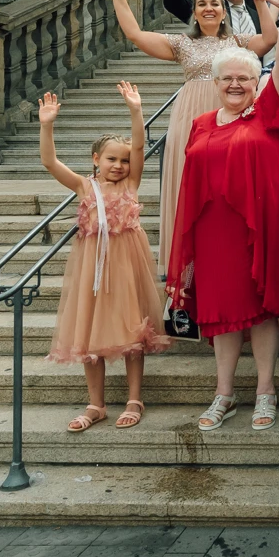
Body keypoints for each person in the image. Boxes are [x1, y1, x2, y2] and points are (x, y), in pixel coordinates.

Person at [164, 0, 279, 432]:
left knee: (263, 309)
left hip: (263, 225)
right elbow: (190, 184)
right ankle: (223, 393)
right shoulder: (201, 123)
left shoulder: (268, 111)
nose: (234, 84)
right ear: (214, 82)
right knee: (222, 312)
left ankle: (265, 390)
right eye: (226, 77)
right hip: (214, 231)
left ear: (255, 83)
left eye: (243, 78)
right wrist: (185, 248)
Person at [102, 0, 274, 236]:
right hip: (190, 116)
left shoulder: (239, 41)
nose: (209, 8)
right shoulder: (181, 43)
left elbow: (269, 39)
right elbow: (134, 34)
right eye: (202, 4)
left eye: (214, 4)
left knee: (228, 182)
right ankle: (186, 258)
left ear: (223, 12)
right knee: (189, 178)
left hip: (229, 111)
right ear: (194, 12)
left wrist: (261, 2)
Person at [40, 81, 170, 432]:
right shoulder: (86, 186)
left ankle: (134, 398)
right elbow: (50, 162)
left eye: (124, 161)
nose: (119, 165)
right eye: (112, 159)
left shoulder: (130, 186)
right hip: (91, 268)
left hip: (127, 266)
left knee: (132, 331)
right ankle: (95, 403)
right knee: (89, 332)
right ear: (96, 159)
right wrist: (47, 124)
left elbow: (140, 145)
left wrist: (136, 110)